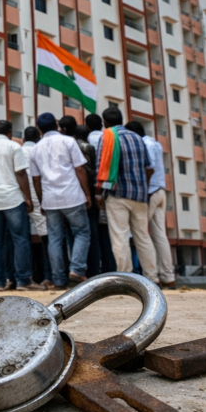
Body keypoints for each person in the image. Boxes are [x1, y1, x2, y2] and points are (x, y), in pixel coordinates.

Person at [0, 120, 42, 291]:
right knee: (20, 239)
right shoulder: (14, 147)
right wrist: (28, 197)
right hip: (12, 198)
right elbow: (20, 173)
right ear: (10, 132)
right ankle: (23, 280)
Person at [93, 108, 158, 283]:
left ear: (105, 122)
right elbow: (148, 167)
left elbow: (102, 168)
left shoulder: (107, 137)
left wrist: (99, 194)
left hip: (118, 193)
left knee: (120, 237)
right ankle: (153, 277)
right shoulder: (137, 137)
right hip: (140, 195)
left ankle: (126, 278)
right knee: (143, 237)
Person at [28, 112, 92, 288]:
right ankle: (77, 270)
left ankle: (58, 279)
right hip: (72, 195)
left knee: (55, 238)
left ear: (40, 129)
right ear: (57, 126)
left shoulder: (35, 149)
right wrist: (87, 193)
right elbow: (80, 169)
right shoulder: (68, 141)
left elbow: (35, 179)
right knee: (82, 232)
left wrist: (41, 201)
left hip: (50, 198)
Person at [126, 121, 176, 289]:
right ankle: (168, 277)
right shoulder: (155, 142)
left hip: (150, 191)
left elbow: (149, 168)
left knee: (140, 234)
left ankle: (152, 277)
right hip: (161, 190)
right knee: (160, 235)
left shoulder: (145, 145)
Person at [62, 116, 101, 278]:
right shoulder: (88, 147)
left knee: (70, 234)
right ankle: (90, 271)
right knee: (89, 234)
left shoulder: (65, 145)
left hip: (66, 194)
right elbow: (91, 172)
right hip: (86, 194)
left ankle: (70, 270)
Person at [77, 123, 115, 274]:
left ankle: (90, 271)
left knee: (87, 235)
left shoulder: (75, 146)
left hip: (82, 197)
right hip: (103, 194)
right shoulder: (107, 139)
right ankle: (109, 270)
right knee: (104, 236)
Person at [21, 126, 54, 288]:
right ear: (38, 137)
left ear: (23, 139)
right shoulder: (40, 151)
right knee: (47, 240)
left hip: (20, 200)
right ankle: (49, 277)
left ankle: (20, 278)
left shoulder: (18, 151)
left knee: (20, 240)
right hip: (40, 199)